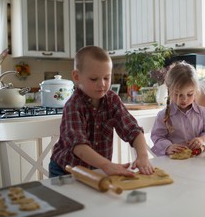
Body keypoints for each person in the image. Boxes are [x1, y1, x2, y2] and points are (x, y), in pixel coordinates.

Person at [49, 46, 154, 177]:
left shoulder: (112, 100)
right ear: (77, 76)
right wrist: (107, 165)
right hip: (65, 170)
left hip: (97, 170)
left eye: (107, 78)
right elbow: (79, 146)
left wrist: (143, 156)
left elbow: (133, 130)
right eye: (94, 79)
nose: (102, 84)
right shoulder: (74, 105)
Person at [151, 61, 205, 156]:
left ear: (196, 91)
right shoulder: (163, 115)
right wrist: (168, 147)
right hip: (173, 161)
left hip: (198, 160)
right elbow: (157, 137)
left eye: (190, 94)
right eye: (178, 94)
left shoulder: (202, 112)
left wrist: (202, 139)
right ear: (170, 91)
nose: (184, 99)